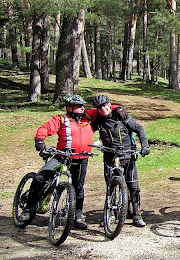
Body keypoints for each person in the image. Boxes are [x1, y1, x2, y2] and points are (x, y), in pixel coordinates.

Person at [25, 94, 114, 229]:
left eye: (83, 106)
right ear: (70, 108)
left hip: (81, 158)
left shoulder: (88, 117)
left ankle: (77, 216)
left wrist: (119, 109)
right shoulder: (61, 119)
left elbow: (106, 108)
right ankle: (28, 209)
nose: (82, 108)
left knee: (79, 188)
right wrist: (40, 140)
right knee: (39, 178)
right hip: (62, 156)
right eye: (79, 106)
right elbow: (45, 129)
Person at [92, 95, 150, 227]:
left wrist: (145, 146)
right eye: (99, 107)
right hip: (109, 156)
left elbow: (139, 128)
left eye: (105, 105)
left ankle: (136, 214)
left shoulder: (121, 116)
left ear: (109, 104)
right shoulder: (97, 120)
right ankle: (110, 213)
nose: (103, 109)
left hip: (127, 154)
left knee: (133, 186)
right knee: (110, 186)